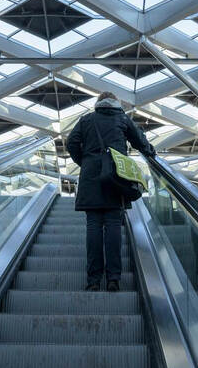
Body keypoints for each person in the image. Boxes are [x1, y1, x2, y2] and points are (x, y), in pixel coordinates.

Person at [64, 92, 155, 292]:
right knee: (113, 225)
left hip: (90, 178)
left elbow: (71, 143)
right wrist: (150, 152)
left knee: (93, 227)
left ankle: (93, 280)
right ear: (116, 103)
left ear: (98, 104)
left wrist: (85, 162)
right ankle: (113, 278)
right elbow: (140, 141)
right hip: (115, 177)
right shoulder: (122, 118)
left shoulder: (86, 120)